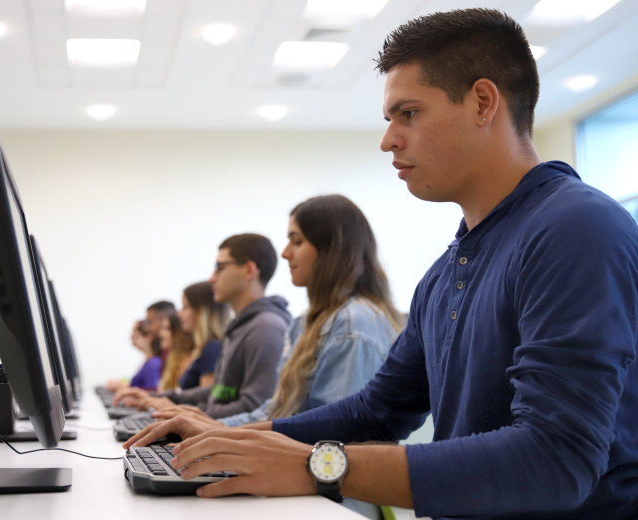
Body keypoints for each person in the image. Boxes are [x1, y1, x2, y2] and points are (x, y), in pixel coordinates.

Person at [123, 9, 638, 520]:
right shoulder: (446, 271)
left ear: (483, 102)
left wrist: (320, 465)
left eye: (408, 113)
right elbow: (376, 411)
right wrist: (230, 437)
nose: (388, 138)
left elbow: (556, 459)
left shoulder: (575, 228)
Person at [126, 195, 405, 519]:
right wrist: (217, 428)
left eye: (296, 241)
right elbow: (274, 409)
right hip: (304, 480)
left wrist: (222, 431)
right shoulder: (306, 323)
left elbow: (338, 435)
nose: (285, 253)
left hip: (333, 497)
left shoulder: (353, 324)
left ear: (332, 248)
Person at [118, 233, 292, 419]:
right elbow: (220, 392)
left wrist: (185, 414)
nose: (212, 278)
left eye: (220, 268)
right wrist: (160, 398)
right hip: (218, 434)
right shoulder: (241, 327)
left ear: (249, 270)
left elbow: (253, 407)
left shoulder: (265, 328)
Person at [114, 283, 229, 401]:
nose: (179, 314)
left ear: (202, 312)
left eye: (185, 307)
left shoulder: (213, 348)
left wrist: (154, 399)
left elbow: (207, 402)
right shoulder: (204, 349)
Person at [106, 300, 175, 391]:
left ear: (162, 320)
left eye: (149, 322)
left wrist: (127, 389)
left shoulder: (156, 361)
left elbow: (159, 391)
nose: (148, 327)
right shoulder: (161, 356)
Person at [156, 314, 196, 392]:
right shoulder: (171, 361)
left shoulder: (188, 362)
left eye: (167, 329)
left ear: (180, 332)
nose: (160, 334)